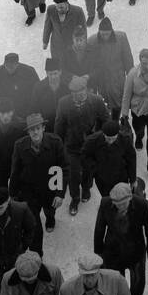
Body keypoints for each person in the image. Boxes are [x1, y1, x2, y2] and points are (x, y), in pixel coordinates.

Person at [93, 181, 148, 295]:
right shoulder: (105, 203)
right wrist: (98, 254)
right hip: (113, 251)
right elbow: (99, 229)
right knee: (116, 281)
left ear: (130, 198)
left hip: (136, 250)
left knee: (138, 282)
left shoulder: (142, 205)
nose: (120, 207)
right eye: (116, 204)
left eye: (123, 204)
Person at [54, 74, 109, 215]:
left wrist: (99, 136)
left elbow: (106, 120)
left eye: (81, 91)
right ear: (70, 93)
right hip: (71, 145)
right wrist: (58, 146)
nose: (77, 95)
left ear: (86, 89)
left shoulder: (96, 101)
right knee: (73, 174)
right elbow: (59, 126)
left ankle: (86, 189)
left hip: (90, 145)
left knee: (88, 170)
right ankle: (75, 198)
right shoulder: (63, 103)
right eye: (74, 93)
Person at [9, 112, 67, 234]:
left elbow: (63, 168)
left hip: (50, 185)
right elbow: (15, 171)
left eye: (38, 128)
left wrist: (60, 194)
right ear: (28, 132)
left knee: (50, 210)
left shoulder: (56, 142)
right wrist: (13, 194)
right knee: (32, 214)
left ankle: (50, 220)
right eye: (31, 130)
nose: (35, 132)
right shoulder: (19, 145)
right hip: (30, 188)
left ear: (43, 128)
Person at [85, 17, 135, 118]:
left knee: (118, 100)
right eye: (102, 34)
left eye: (107, 34)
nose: (105, 36)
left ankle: (117, 121)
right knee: (104, 100)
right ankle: (108, 123)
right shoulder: (92, 41)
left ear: (111, 31)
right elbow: (89, 62)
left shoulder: (121, 38)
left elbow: (128, 58)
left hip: (117, 77)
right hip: (102, 78)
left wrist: (131, 76)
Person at [0, 98, 30, 191]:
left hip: (17, 166)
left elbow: (29, 145)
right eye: (2, 113)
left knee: (18, 196)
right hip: (0, 166)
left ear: (13, 112)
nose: (5, 116)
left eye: (8, 112)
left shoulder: (22, 126)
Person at [83, 118, 137, 197]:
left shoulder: (125, 140)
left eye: (113, 138)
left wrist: (133, 179)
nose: (110, 141)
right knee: (107, 197)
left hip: (121, 176)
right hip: (102, 178)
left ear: (118, 134)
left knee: (121, 196)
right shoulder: (92, 141)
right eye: (108, 138)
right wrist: (94, 168)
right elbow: (85, 156)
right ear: (103, 134)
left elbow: (131, 159)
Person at [42, 0, 87, 69]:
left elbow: (83, 29)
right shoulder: (51, 10)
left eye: (62, 7)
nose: (59, 10)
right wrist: (45, 41)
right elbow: (47, 26)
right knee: (58, 66)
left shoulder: (77, 11)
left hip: (71, 45)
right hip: (56, 46)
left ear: (67, 4)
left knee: (72, 65)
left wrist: (82, 44)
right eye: (57, 7)